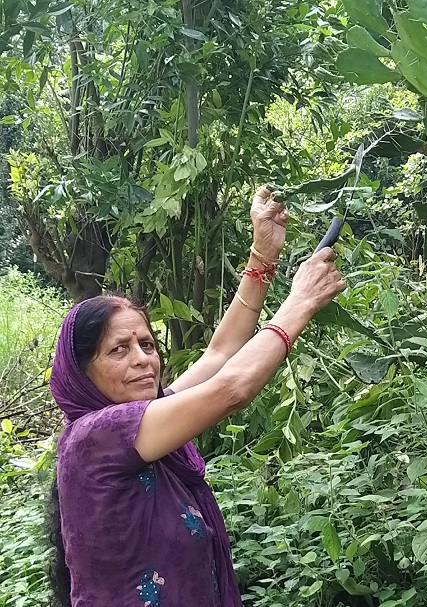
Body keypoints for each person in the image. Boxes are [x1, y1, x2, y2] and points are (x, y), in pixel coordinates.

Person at [47, 188, 346, 607]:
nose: (142, 361)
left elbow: (220, 354)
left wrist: (262, 255)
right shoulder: (99, 434)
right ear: (81, 372)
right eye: (119, 350)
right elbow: (231, 389)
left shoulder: (145, 417)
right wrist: (300, 303)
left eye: (147, 345)